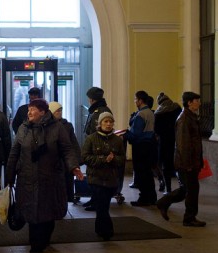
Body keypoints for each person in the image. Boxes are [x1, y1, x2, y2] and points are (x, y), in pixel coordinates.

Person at [5, 98, 84, 253]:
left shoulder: (57, 128)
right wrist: (9, 176)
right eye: (29, 109)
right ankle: (35, 244)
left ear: (42, 112)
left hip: (50, 177)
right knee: (31, 212)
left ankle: (44, 240)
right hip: (27, 178)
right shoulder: (23, 128)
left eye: (33, 109)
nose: (29, 112)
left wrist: (74, 166)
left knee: (48, 212)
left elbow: (67, 149)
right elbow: (14, 153)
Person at [156, 91, 206, 227]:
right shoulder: (184, 119)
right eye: (197, 100)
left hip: (191, 161)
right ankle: (189, 218)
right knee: (191, 190)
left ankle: (163, 202)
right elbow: (183, 144)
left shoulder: (191, 117)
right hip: (186, 163)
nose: (199, 103)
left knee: (186, 189)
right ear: (189, 103)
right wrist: (187, 163)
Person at [81, 112, 125, 240]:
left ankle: (99, 228)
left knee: (103, 205)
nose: (108, 124)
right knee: (102, 204)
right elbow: (85, 157)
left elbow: (122, 158)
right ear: (99, 124)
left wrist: (113, 159)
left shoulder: (117, 140)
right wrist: (103, 159)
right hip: (96, 178)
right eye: (105, 122)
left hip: (111, 178)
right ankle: (107, 231)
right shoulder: (91, 139)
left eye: (110, 122)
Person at [121, 90, 157, 206]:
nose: (135, 101)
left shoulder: (141, 115)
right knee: (148, 173)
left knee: (141, 173)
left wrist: (126, 134)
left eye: (135, 99)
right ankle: (152, 197)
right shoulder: (150, 113)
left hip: (140, 146)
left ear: (140, 101)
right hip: (149, 145)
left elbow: (135, 134)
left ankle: (144, 198)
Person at [49, 101, 82, 203]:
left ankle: (66, 202)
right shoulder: (47, 125)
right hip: (52, 160)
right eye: (57, 111)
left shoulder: (67, 125)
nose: (59, 112)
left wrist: (77, 161)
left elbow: (73, 143)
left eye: (60, 110)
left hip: (65, 160)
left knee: (66, 183)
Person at [154, 92, 181, 194]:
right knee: (178, 166)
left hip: (164, 142)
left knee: (165, 166)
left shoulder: (158, 112)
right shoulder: (177, 108)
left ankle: (168, 188)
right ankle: (182, 186)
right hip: (177, 140)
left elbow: (156, 129)